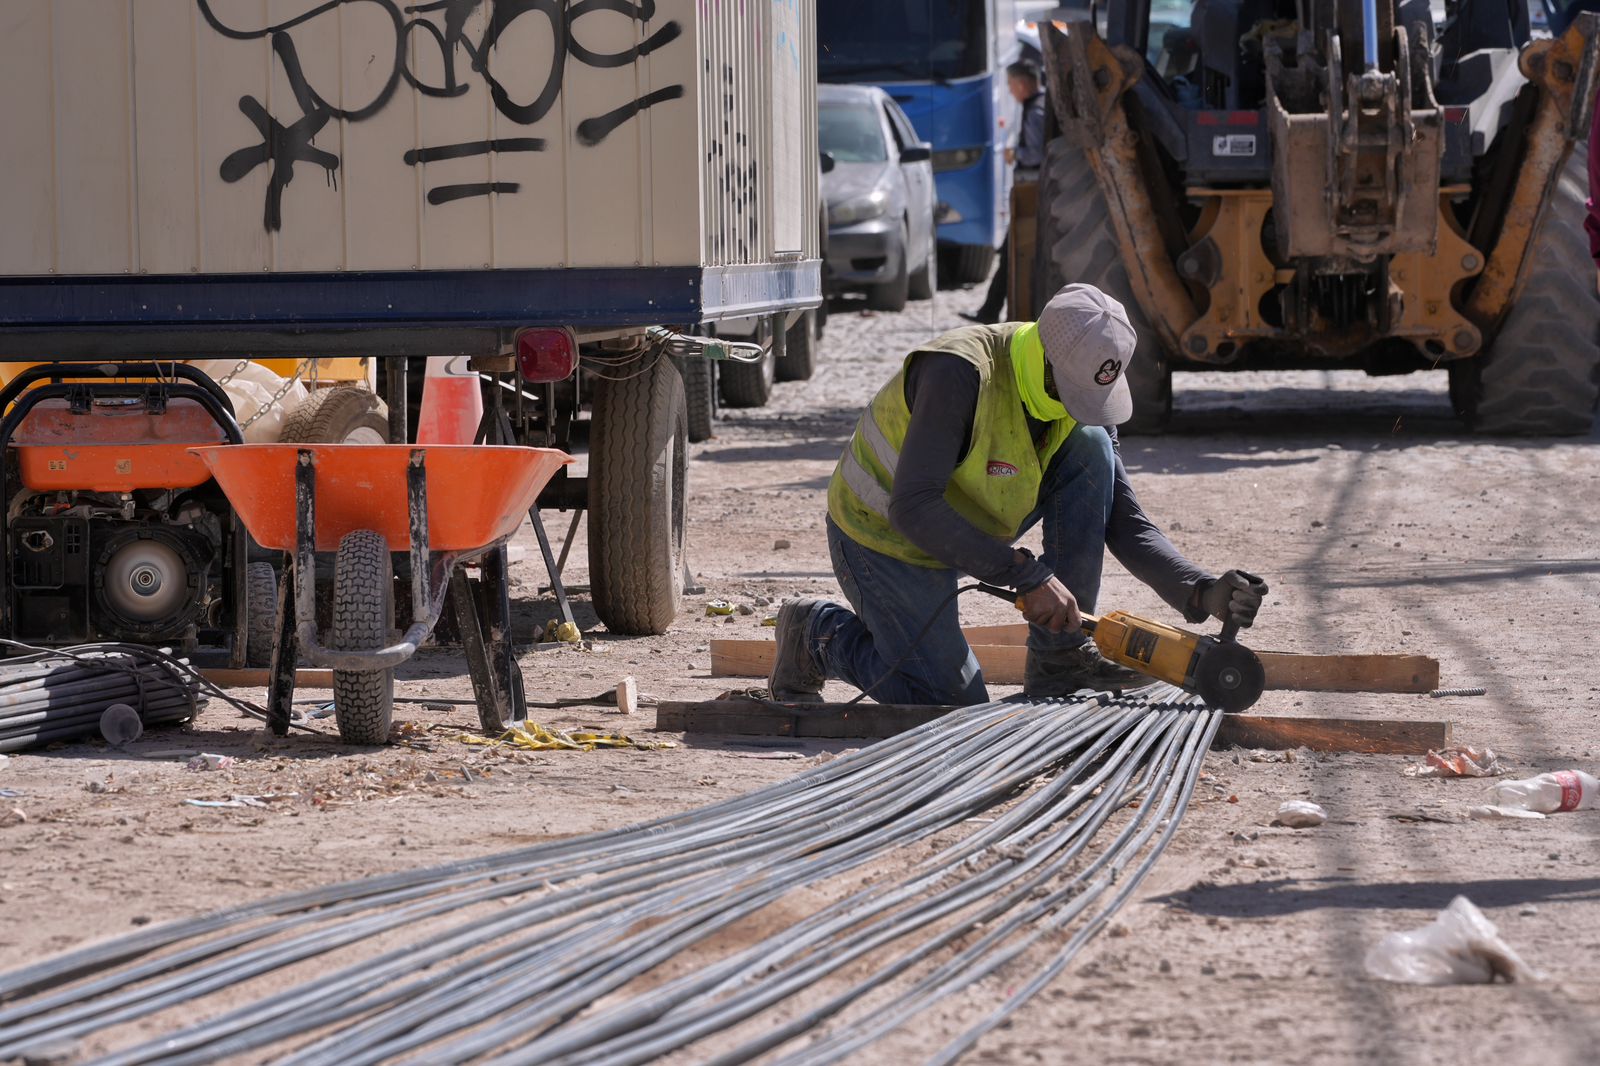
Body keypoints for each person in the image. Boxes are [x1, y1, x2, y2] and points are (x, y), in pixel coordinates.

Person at [769, 284, 1267, 705]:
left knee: (1092, 446)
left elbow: (1123, 520)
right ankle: (816, 634)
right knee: (946, 701)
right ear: (1047, 358)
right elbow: (914, 507)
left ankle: (1060, 659)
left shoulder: (1080, 393)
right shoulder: (959, 373)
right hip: (884, 536)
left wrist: (1201, 589)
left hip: (966, 522)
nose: (1082, 406)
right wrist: (1026, 576)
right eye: (1073, 392)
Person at [963, 61, 1049, 326]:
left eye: (1011, 86)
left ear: (1022, 84)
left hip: (1032, 195)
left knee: (1013, 255)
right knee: (1009, 255)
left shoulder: (1035, 111)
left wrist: (1015, 154)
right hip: (1033, 194)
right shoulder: (1042, 106)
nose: (1011, 92)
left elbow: (1035, 153)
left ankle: (994, 310)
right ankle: (990, 310)